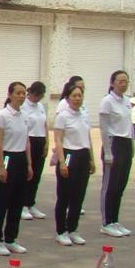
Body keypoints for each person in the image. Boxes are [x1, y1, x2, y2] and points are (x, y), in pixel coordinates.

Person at [0, 81, 33, 256]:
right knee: (2, 201)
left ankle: (11, 238)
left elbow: (27, 141)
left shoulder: (25, 115)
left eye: (24, 93)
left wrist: (29, 164)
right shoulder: (3, 115)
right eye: (18, 93)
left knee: (17, 201)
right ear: (10, 95)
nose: (21, 96)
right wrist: (1, 166)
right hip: (7, 157)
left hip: (21, 157)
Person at [54, 82, 95, 247]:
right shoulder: (63, 116)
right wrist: (62, 162)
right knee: (65, 195)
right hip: (69, 155)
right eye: (74, 96)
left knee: (78, 196)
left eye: (80, 95)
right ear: (68, 98)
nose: (77, 98)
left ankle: (73, 229)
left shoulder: (83, 115)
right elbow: (58, 140)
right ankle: (61, 231)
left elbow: (88, 138)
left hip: (83, 155)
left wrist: (91, 159)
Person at [99, 70, 134, 239]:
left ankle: (114, 220)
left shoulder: (127, 101)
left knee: (120, 185)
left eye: (126, 81)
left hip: (126, 143)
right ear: (112, 83)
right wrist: (107, 151)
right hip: (114, 143)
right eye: (120, 81)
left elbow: (130, 125)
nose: (124, 84)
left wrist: (132, 146)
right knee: (110, 186)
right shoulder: (107, 101)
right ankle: (106, 223)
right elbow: (104, 128)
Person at [21, 81, 50, 221]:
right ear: (31, 92)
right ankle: (22, 204)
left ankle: (30, 203)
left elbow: (45, 125)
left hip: (40, 140)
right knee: (27, 174)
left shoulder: (41, 107)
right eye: (36, 95)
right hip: (29, 141)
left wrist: (47, 143)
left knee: (37, 175)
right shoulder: (24, 106)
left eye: (41, 96)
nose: (38, 98)